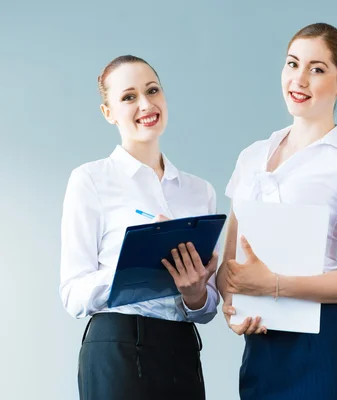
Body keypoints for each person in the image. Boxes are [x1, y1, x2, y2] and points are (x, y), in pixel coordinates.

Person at [216, 23, 337, 400]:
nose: (299, 79)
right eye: (293, 64)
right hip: (263, 347)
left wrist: (274, 285)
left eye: (317, 69)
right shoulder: (252, 156)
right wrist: (233, 307)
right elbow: (230, 266)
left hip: (329, 343)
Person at [60, 55, 218, 400]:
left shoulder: (200, 191)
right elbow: (72, 294)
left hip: (182, 349)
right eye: (129, 97)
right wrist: (136, 263)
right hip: (117, 345)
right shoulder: (90, 179)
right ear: (109, 113)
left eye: (152, 90)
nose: (146, 104)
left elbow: (206, 309)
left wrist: (195, 294)